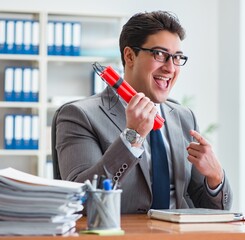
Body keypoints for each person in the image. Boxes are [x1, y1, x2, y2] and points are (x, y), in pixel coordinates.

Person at [55, 10, 232, 213]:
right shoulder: (79, 116)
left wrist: (215, 177)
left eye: (177, 58)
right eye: (160, 54)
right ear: (130, 56)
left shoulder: (184, 117)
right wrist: (132, 137)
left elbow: (216, 210)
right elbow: (83, 200)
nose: (170, 68)